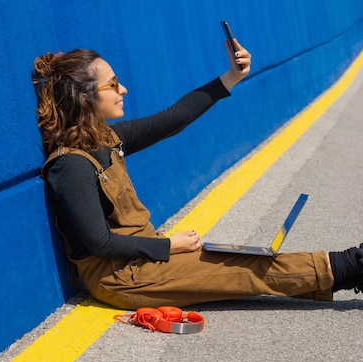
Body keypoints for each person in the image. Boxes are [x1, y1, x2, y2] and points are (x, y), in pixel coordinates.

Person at [32, 41, 363, 310]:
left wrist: (231, 77)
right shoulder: (71, 165)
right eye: (114, 84)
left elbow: (175, 118)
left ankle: (349, 268)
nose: (125, 90)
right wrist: (168, 246)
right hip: (121, 277)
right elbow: (100, 244)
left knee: (244, 260)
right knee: (243, 270)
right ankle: (351, 266)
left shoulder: (105, 139)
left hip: (141, 260)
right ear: (85, 96)